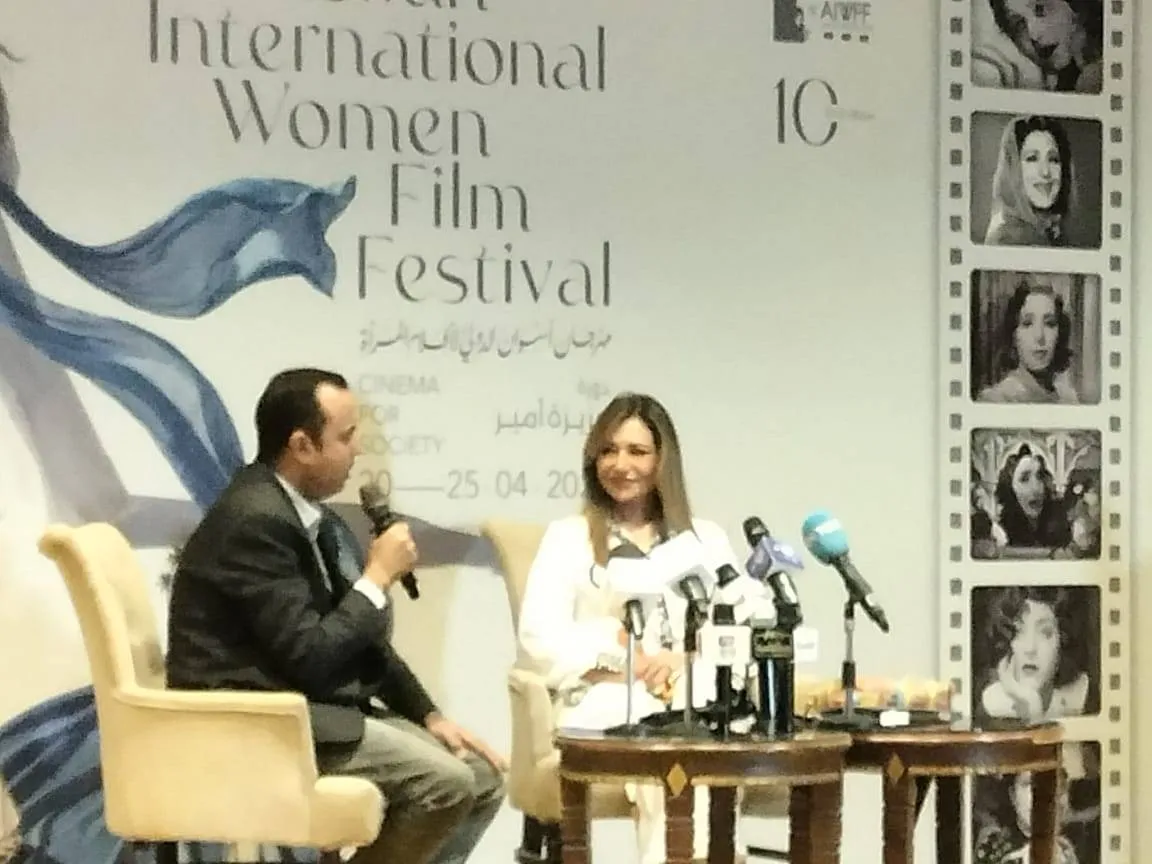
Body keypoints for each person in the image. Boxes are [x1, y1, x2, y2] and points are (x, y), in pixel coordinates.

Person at [165, 368, 506, 864]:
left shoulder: (304, 515)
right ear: (302, 446)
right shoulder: (255, 520)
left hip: (304, 711)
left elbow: (360, 644)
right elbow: (311, 656)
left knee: (482, 778)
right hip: (254, 725)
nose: (357, 449)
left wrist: (429, 715)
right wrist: (378, 577)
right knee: (447, 783)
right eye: (345, 437)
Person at [516, 392, 754, 864]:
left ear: (663, 461)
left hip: (694, 694)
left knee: (697, 739)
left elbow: (740, 628)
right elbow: (538, 637)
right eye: (608, 450)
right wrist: (625, 661)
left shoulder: (705, 539)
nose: (620, 464)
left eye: (637, 451)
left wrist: (681, 658)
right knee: (667, 753)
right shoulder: (568, 538)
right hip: (604, 699)